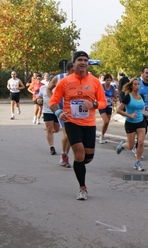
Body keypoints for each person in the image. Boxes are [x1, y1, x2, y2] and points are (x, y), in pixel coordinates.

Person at [49, 51, 107, 200]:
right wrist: (59, 112)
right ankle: (82, 188)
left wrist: (93, 104)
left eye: (85, 60)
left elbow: (103, 102)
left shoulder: (94, 81)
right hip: (71, 122)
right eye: (79, 60)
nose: (82, 62)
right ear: (73, 64)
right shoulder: (65, 82)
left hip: (89, 123)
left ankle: (78, 164)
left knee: (88, 158)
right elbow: (53, 102)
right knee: (80, 154)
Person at [115, 78, 148, 171]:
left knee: (141, 142)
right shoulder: (128, 97)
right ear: (131, 86)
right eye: (135, 84)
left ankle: (137, 162)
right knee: (130, 146)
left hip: (141, 122)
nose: (137, 86)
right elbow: (118, 110)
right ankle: (122, 145)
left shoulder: (141, 96)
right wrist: (129, 115)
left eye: (138, 84)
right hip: (130, 123)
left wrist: (145, 114)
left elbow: (142, 107)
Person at [47, 62, 74, 168]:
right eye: (72, 70)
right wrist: (53, 99)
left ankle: (65, 155)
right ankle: (64, 155)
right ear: (67, 70)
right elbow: (48, 88)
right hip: (62, 110)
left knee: (72, 136)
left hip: (75, 111)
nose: (74, 72)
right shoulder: (58, 78)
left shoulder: (78, 79)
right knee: (67, 134)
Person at [37, 83, 60, 155]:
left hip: (57, 110)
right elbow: (39, 96)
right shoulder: (43, 88)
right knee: (49, 128)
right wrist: (39, 100)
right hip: (47, 111)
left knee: (56, 130)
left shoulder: (59, 87)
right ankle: (51, 147)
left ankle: (49, 133)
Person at [98, 74, 118, 144]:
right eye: (107, 80)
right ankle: (101, 136)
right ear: (105, 80)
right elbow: (97, 95)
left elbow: (115, 98)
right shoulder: (101, 86)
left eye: (110, 80)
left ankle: (103, 135)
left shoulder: (112, 88)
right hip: (102, 106)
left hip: (109, 106)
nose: (108, 82)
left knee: (107, 122)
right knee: (105, 121)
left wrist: (114, 100)